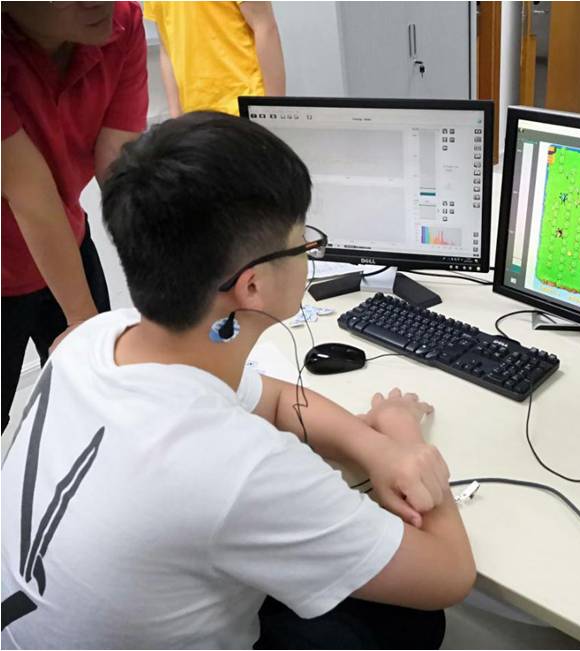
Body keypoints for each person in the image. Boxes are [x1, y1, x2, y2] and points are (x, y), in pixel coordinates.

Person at [0, 112, 475, 649]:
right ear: (252, 286)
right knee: (413, 622)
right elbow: (450, 574)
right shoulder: (240, 466)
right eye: (302, 242)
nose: (309, 252)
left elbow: (270, 399)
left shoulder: (94, 340)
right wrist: (406, 440)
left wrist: (375, 448)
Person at [1, 1, 148, 433]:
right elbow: (27, 191)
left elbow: (119, 163)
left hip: (65, 239)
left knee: (94, 404)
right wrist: (83, 323)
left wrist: (171, 279)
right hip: (11, 256)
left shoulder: (121, 22)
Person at [144, 1, 285, 117]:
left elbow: (265, 27)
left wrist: (273, 115)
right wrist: (176, 118)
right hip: (194, 118)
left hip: (243, 110)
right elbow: (167, 47)